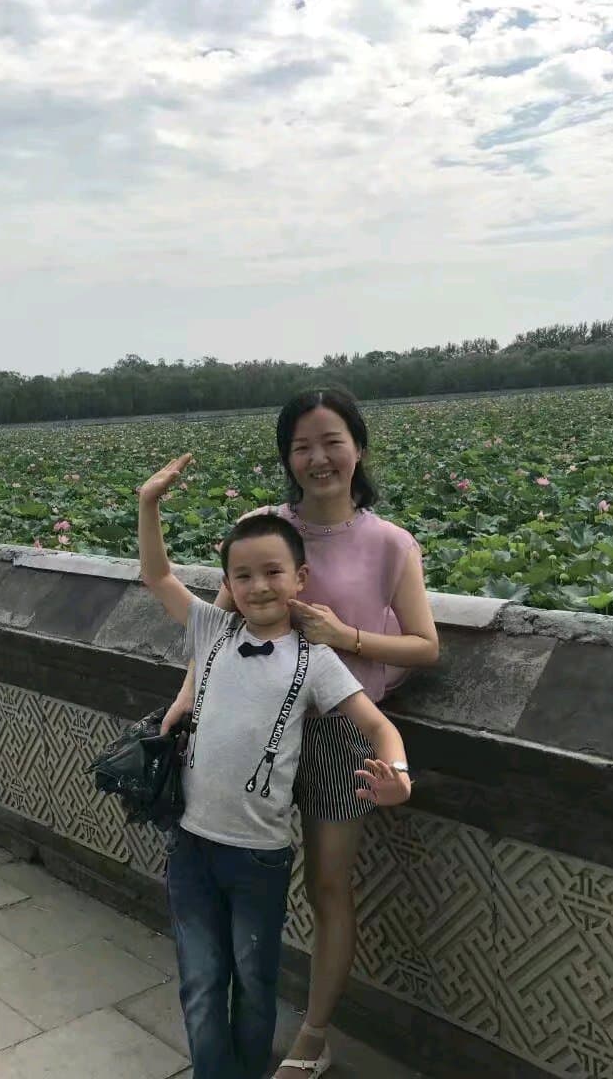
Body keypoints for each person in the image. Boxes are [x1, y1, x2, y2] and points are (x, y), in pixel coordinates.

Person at [163, 387, 439, 1079]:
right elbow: (218, 632)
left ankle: (313, 1036)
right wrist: (185, 700)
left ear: (359, 448)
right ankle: (231, 1029)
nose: (318, 458)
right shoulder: (263, 529)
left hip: (340, 735)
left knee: (327, 887)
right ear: (287, 457)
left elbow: (425, 646)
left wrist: (343, 636)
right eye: (301, 446)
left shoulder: (390, 543)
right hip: (253, 727)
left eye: (331, 441)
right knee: (237, 873)